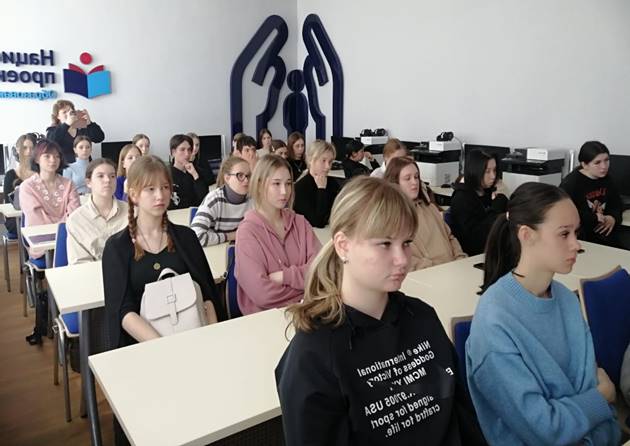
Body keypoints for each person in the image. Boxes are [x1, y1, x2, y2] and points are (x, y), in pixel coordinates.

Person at [276, 176, 486, 446]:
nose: (402, 259)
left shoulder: (422, 317)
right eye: (385, 244)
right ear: (343, 246)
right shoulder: (313, 355)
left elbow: (462, 418)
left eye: (407, 243)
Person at [466, 182, 620, 445]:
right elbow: (545, 428)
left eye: (576, 232)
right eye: (564, 234)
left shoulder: (566, 299)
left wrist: (592, 404)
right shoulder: (494, 321)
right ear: (526, 235)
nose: (576, 244)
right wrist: (599, 398)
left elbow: (589, 391)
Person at [102, 155, 220, 445]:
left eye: (165, 188)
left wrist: (210, 339)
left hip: (195, 343)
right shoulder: (117, 248)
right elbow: (122, 311)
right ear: (133, 194)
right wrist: (165, 348)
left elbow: (207, 295)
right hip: (146, 351)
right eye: (150, 189)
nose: (160, 196)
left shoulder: (186, 237)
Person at [235, 154, 321, 315]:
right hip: (267, 318)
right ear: (259, 185)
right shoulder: (247, 233)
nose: (284, 191)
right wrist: (305, 290)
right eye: (276, 184)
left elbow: (322, 270)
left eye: (288, 184)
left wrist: (284, 277)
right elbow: (263, 295)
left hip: (308, 312)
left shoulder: (300, 223)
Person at [20, 139, 80, 345]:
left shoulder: (68, 184)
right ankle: (54, 319)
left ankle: (71, 317)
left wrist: (62, 224)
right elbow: (36, 220)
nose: (53, 160)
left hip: (68, 241)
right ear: (37, 159)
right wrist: (62, 222)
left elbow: (75, 215)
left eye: (56, 156)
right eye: (47, 156)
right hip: (42, 245)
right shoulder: (27, 187)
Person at [385, 157, 466, 270]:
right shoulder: (390, 217)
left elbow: (450, 237)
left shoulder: (430, 208)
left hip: (451, 269)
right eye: (407, 178)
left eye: (416, 177)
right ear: (395, 183)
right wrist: (433, 268)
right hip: (426, 274)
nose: (414, 182)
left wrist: (460, 258)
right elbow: (399, 256)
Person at [560, 141, 625, 249]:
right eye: (597, 162)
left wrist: (613, 217)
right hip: (582, 238)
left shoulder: (607, 178)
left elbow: (617, 204)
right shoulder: (571, 183)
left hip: (604, 235)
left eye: (606, 160)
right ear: (584, 165)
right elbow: (564, 214)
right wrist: (594, 218)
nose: (604, 166)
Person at [66, 158, 128, 264]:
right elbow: (79, 263)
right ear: (88, 182)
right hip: (92, 272)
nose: (107, 180)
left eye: (112, 176)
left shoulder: (132, 213)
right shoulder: (76, 220)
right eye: (100, 176)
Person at [449, 149, 507, 255]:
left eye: (494, 170)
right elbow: (476, 240)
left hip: (493, 248)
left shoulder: (487, 192)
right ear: (475, 171)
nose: (493, 176)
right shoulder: (462, 199)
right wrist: (498, 204)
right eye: (487, 171)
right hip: (472, 255)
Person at [191, 157, 252, 246]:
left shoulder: (253, 199)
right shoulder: (214, 200)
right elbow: (196, 237)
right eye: (240, 175)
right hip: (217, 250)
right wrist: (232, 236)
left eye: (248, 176)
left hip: (245, 247)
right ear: (227, 178)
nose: (246, 180)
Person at [293, 140, 340, 228]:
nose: (328, 167)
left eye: (330, 162)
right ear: (311, 160)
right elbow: (318, 221)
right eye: (323, 161)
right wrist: (321, 189)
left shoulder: (333, 183)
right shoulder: (299, 188)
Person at [3, 133, 36, 234]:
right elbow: (9, 203)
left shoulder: (40, 173)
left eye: (32, 148)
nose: (28, 151)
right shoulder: (10, 175)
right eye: (25, 148)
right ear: (18, 150)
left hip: (37, 215)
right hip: (17, 218)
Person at [168, 134, 207, 209]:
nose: (187, 154)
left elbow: (205, 198)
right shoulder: (166, 174)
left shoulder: (196, 170)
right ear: (173, 152)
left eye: (189, 150)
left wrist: (195, 175)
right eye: (182, 150)